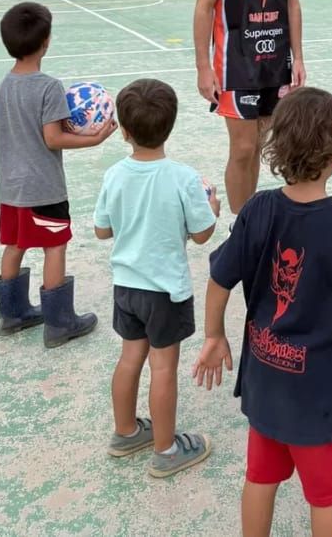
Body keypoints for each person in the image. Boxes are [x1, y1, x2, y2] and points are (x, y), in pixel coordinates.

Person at [192, 87, 332, 537]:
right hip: (321, 397)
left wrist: (213, 335)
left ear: (276, 145)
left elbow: (219, 278)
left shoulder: (257, 209)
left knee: (260, 478)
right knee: (326, 498)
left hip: (266, 382)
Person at [95, 78, 219, 477]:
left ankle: (126, 431)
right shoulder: (183, 178)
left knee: (130, 357)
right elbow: (201, 234)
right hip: (165, 291)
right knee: (163, 368)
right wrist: (211, 207)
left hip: (126, 286)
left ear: (125, 132)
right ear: (171, 125)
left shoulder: (114, 175)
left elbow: (102, 230)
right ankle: (166, 452)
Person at [0, 2, 115, 347]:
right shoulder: (48, 87)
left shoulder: (4, 85)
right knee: (55, 245)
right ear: (46, 41)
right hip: (43, 189)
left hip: (11, 187)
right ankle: (60, 322)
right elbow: (52, 138)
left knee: (15, 243)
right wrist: (93, 138)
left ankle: (12, 314)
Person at [193, 0, 306, 216]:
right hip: (235, 63)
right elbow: (203, 9)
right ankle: (240, 227)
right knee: (241, 148)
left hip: (276, 61)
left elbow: (292, 1)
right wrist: (202, 68)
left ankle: (249, 219)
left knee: (258, 144)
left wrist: (298, 57)